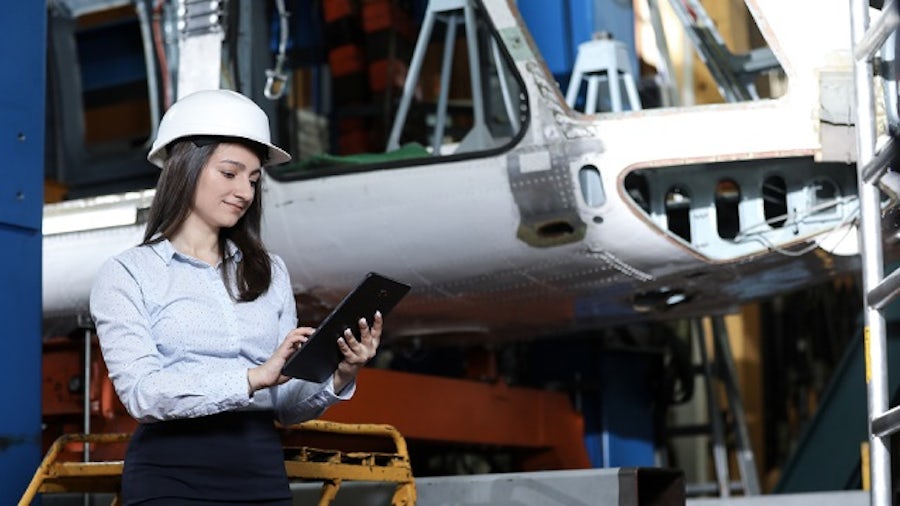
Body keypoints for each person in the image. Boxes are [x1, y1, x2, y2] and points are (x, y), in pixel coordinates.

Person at [89, 88, 381, 505]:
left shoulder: (269, 271)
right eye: (230, 173)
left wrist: (340, 373)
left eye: (254, 178)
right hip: (170, 477)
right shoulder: (128, 274)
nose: (245, 191)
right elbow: (143, 393)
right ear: (184, 168)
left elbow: (284, 404)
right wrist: (250, 377)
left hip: (259, 471)